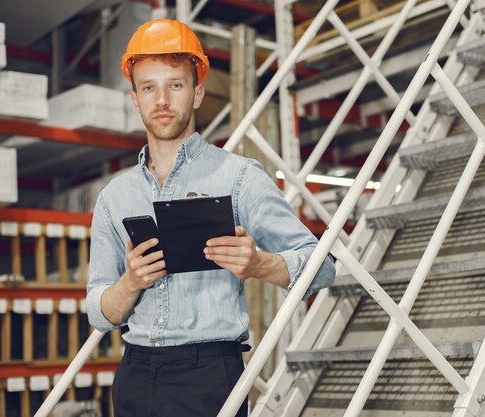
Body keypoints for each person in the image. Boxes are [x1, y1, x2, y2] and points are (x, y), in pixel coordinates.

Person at [85, 19, 336, 417]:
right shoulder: (115, 197)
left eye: (176, 85)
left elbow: (322, 266)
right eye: (148, 87)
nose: (162, 100)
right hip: (134, 374)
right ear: (135, 98)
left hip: (208, 378)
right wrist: (130, 282)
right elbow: (100, 311)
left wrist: (260, 264)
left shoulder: (238, 177)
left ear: (198, 93)